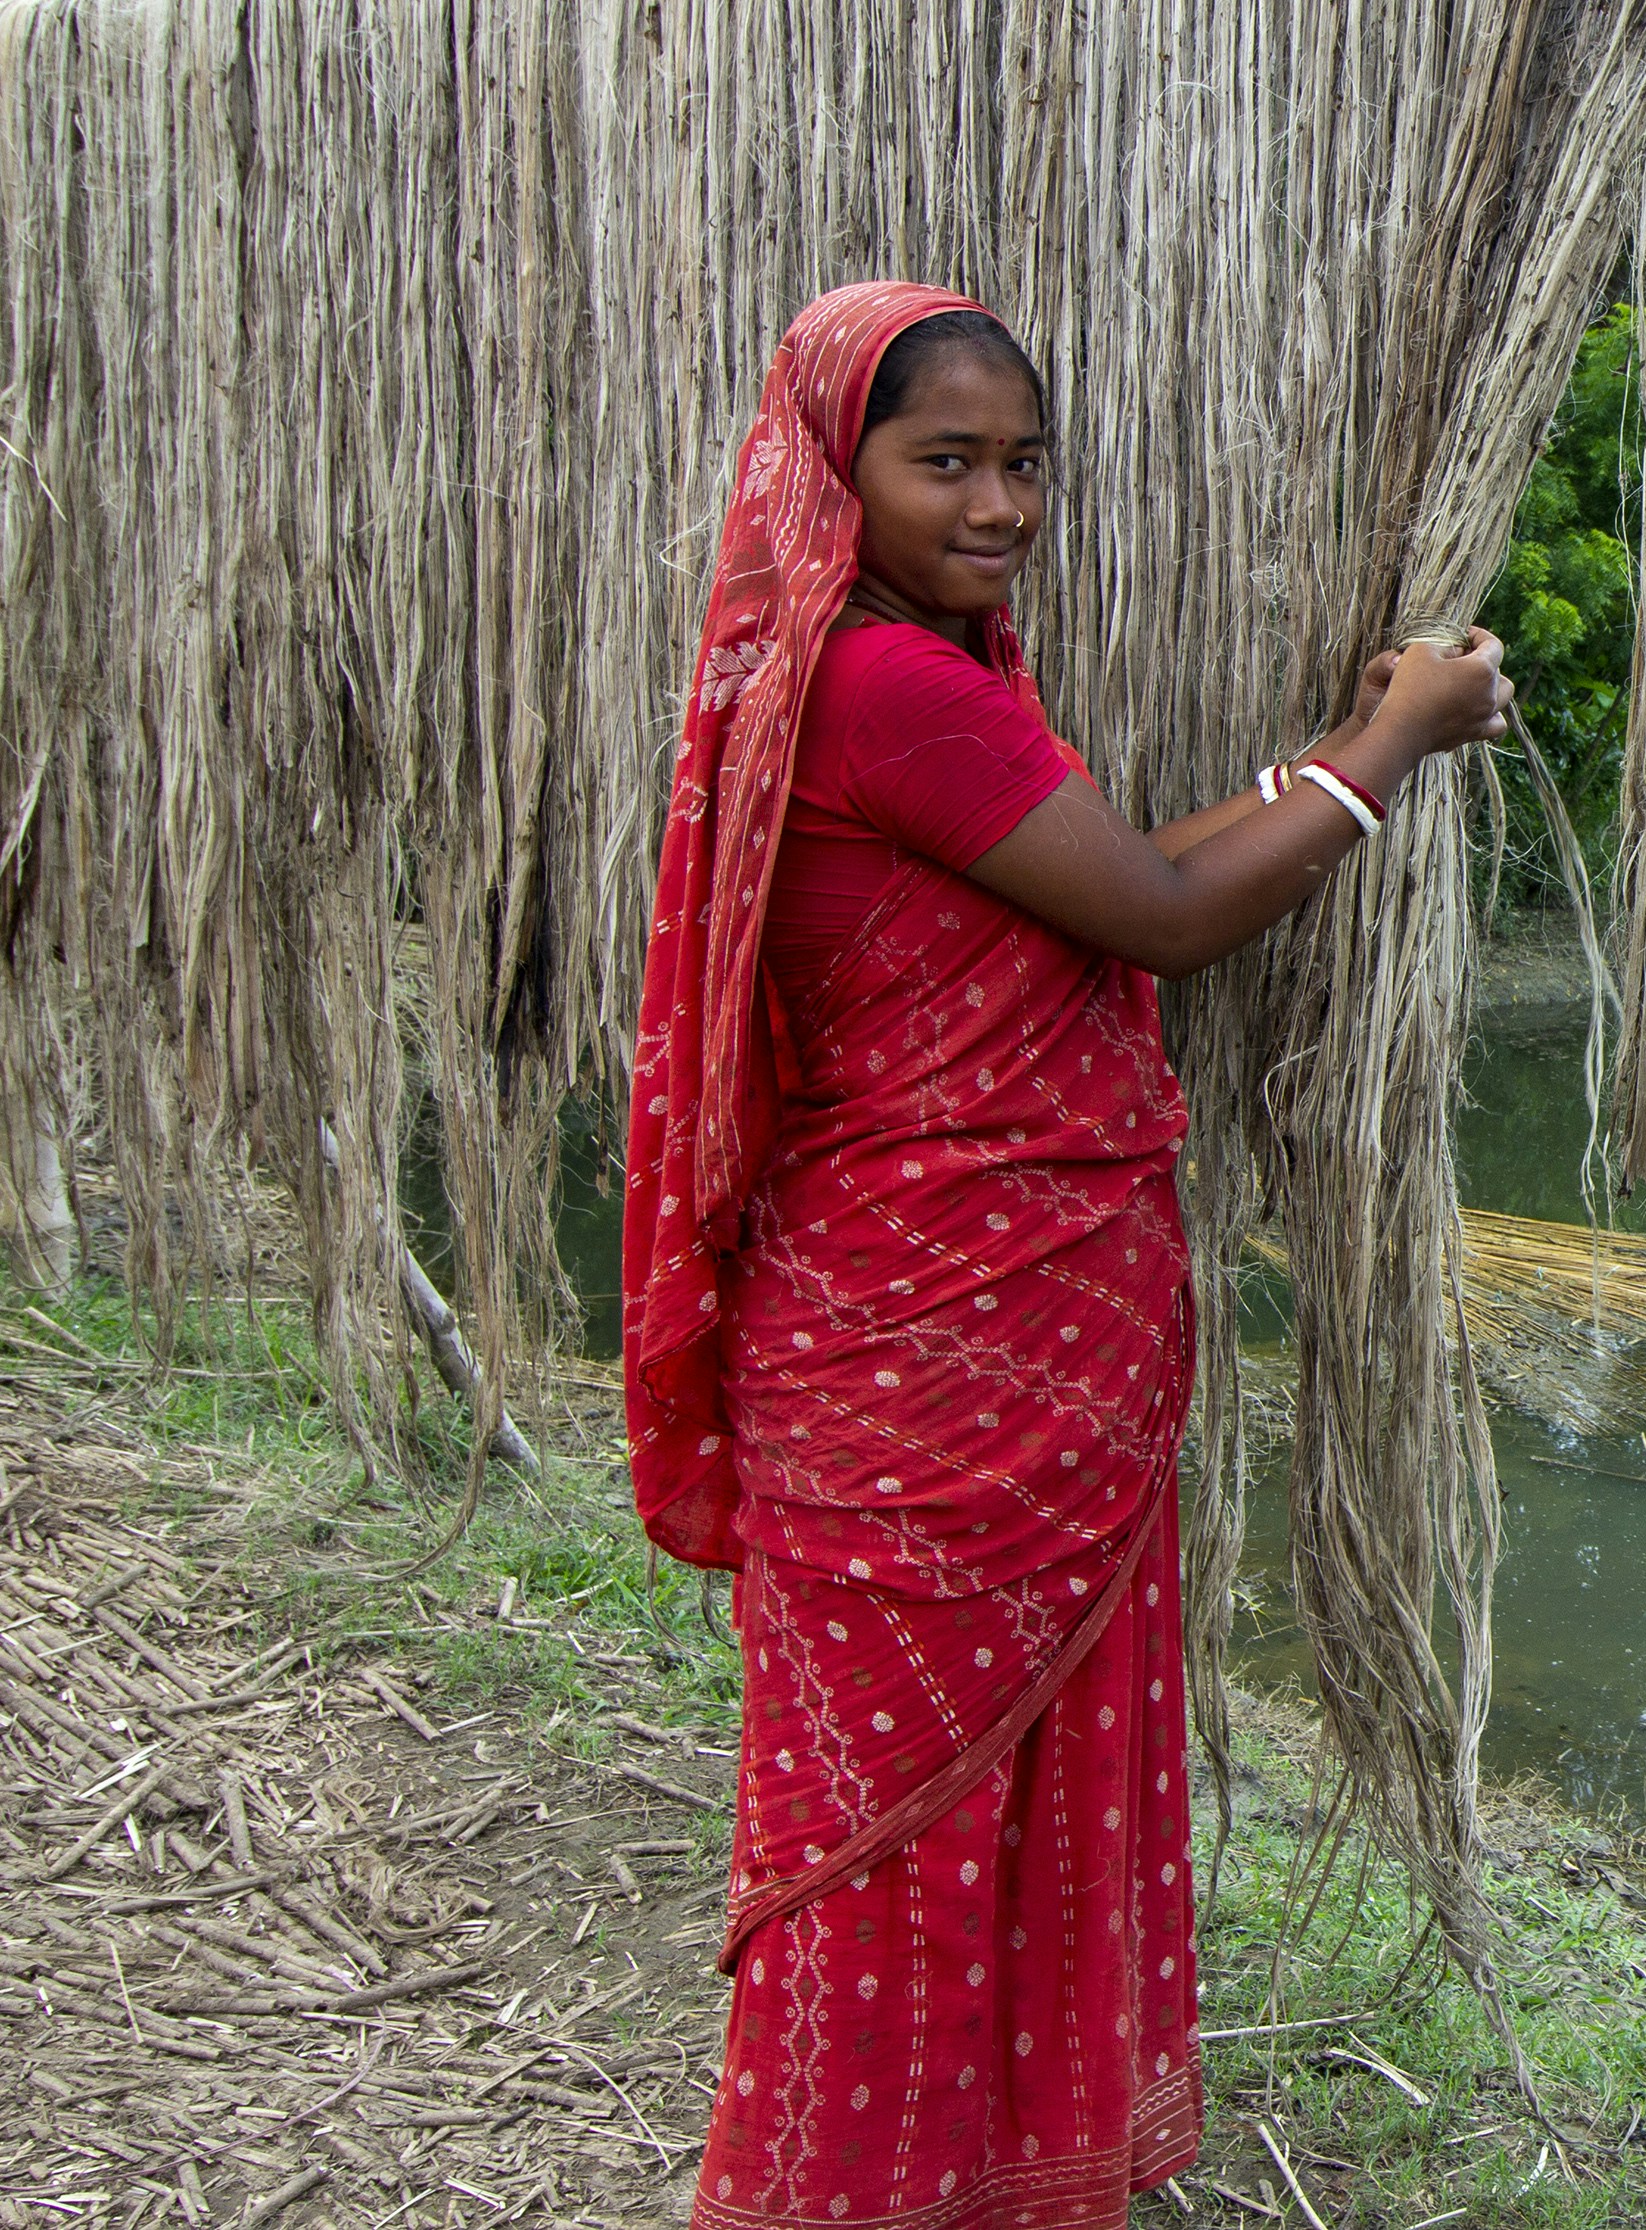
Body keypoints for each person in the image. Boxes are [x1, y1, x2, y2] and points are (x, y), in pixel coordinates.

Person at [620, 280, 1510, 2229]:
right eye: (945, 460)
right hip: (933, 1381)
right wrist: (1400, 741)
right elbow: (1172, 918)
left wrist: (1341, 741)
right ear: (836, 469)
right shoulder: (893, 687)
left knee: (957, 1848)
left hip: (947, 1363)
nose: (1000, 503)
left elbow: (1113, 869)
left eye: (1025, 462)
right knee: (885, 1868)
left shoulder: (866, 672)